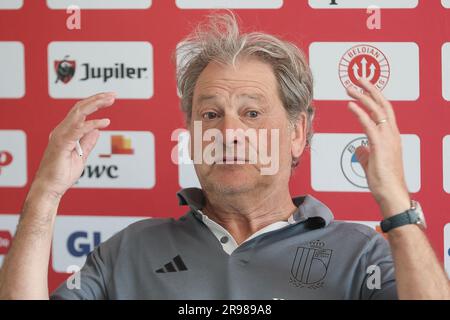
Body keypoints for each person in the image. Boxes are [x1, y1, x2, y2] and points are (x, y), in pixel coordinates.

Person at [0, 13, 449, 300]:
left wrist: (395, 203)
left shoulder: (362, 255)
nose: (229, 132)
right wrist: (45, 193)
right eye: (210, 114)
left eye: (251, 113)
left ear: (298, 133)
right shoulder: (130, 250)